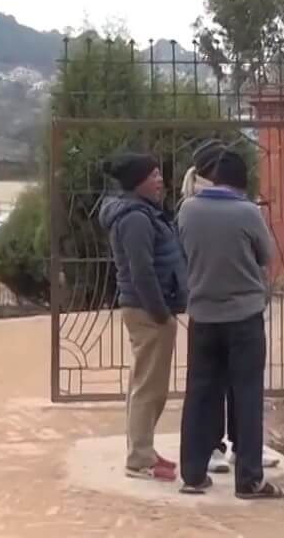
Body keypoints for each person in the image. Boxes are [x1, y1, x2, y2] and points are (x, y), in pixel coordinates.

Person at [176, 145, 284, 499]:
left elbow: (185, 253)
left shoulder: (187, 210)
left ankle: (193, 475)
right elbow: (266, 255)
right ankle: (249, 480)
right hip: (244, 318)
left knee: (200, 394)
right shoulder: (247, 212)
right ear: (239, 182)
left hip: (202, 316)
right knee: (247, 395)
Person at [96, 151, 186, 482]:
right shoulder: (135, 218)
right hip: (148, 310)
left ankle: (142, 450)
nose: (160, 180)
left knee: (144, 385)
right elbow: (141, 270)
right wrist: (161, 312)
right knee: (149, 388)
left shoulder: (142, 213)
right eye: (153, 175)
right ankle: (140, 458)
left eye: (160, 173)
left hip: (146, 309)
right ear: (138, 182)